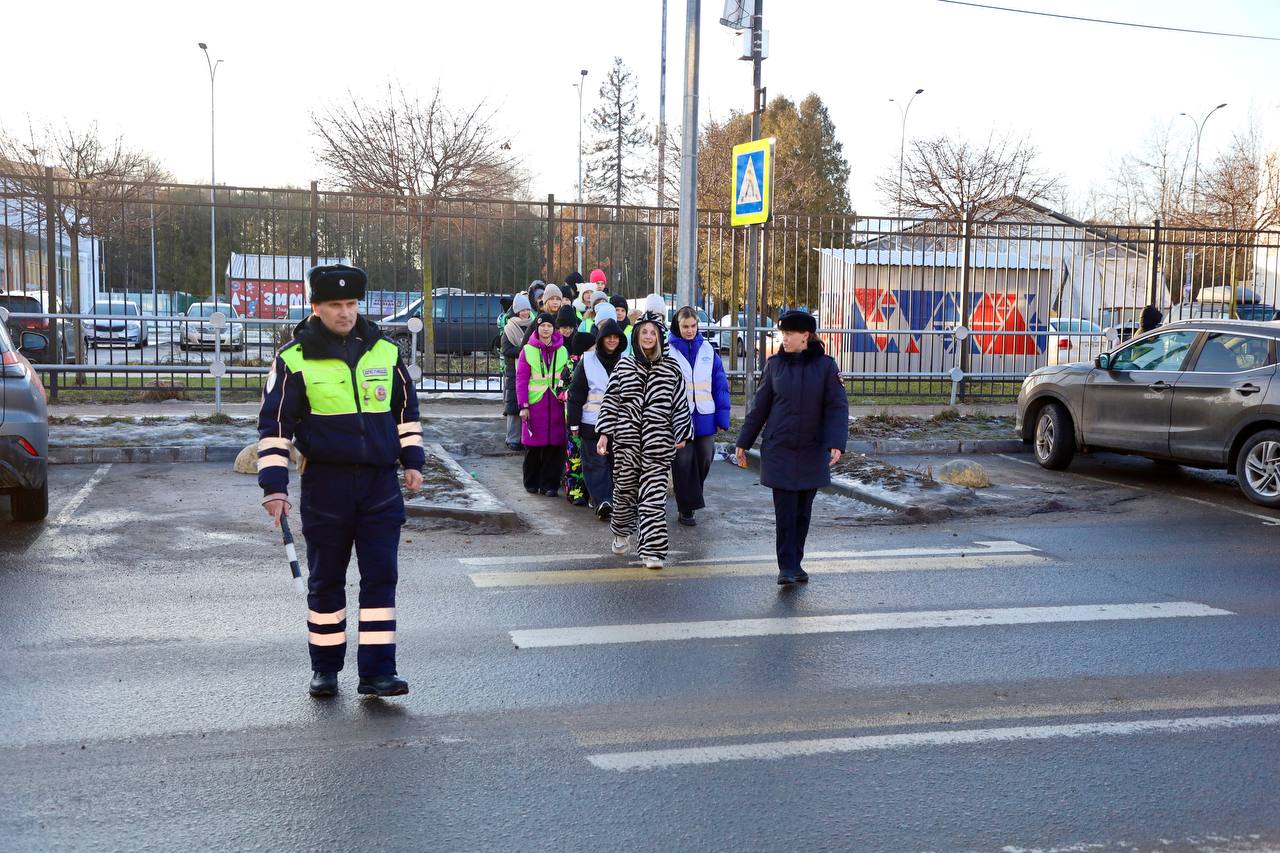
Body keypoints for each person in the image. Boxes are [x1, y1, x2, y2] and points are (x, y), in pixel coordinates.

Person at [257, 263, 423, 698]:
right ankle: (326, 670)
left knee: (381, 577)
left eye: (351, 304)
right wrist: (274, 487)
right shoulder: (293, 359)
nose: (345, 312)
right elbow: (275, 426)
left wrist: (413, 460)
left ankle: (377, 672)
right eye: (335, 305)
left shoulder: (385, 351)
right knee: (327, 580)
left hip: (379, 486)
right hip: (326, 486)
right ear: (316, 307)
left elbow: (405, 412)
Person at [735, 310, 849, 585]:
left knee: (802, 512)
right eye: (782, 334)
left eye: (788, 334)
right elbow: (759, 408)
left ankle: (796, 562)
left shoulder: (826, 367)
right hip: (780, 448)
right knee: (785, 511)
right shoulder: (774, 366)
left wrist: (836, 443)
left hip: (812, 448)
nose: (783, 339)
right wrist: (743, 442)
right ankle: (786, 566)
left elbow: (837, 407)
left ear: (805, 336)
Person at [595, 299, 693, 569]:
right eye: (644, 332)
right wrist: (604, 434)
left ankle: (653, 551)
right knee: (624, 493)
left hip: (658, 444)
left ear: (660, 337)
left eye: (653, 333)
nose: (648, 337)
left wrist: (682, 431)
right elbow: (611, 401)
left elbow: (680, 403)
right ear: (636, 336)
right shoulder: (624, 367)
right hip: (626, 444)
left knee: (653, 499)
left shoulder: (672, 369)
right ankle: (621, 532)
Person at [668, 306, 731, 526]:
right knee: (683, 461)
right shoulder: (668, 351)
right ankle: (686, 508)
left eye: (693, 326)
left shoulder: (707, 349)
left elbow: (720, 384)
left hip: (705, 415)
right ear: (678, 326)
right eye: (685, 326)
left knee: (705, 457)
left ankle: (691, 494)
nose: (690, 330)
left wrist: (723, 417)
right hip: (679, 417)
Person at [568, 318, 626, 520]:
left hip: (620, 424)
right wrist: (573, 423)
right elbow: (575, 395)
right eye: (608, 337)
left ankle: (615, 501)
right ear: (600, 340)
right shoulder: (588, 361)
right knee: (594, 464)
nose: (611, 341)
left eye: (615, 338)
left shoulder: (626, 361)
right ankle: (603, 501)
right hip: (591, 422)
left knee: (615, 464)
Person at [516, 313, 569, 496]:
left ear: (554, 329)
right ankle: (531, 482)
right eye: (543, 325)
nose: (546, 329)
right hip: (535, 404)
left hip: (556, 404)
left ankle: (550, 485)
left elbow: (567, 377)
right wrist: (523, 406)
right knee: (533, 447)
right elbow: (521, 380)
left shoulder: (562, 350)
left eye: (549, 325)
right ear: (537, 328)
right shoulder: (527, 351)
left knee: (554, 448)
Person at [561, 326, 596, 507]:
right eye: (593, 346)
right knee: (574, 458)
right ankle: (574, 492)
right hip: (574, 417)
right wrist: (571, 395)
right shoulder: (570, 365)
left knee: (589, 458)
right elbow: (559, 389)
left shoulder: (595, 363)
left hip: (590, 418)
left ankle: (590, 492)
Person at [501, 292, 533, 451]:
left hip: (531, 370)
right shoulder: (509, 328)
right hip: (514, 371)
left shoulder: (533, 324)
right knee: (514, 406)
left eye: (527, 309)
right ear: (516, 311)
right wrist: (523, 351)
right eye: (522, 310)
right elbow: (506, 349)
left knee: (529, 404)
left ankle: (526, 436)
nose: (525, 312)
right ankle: (512, 438)